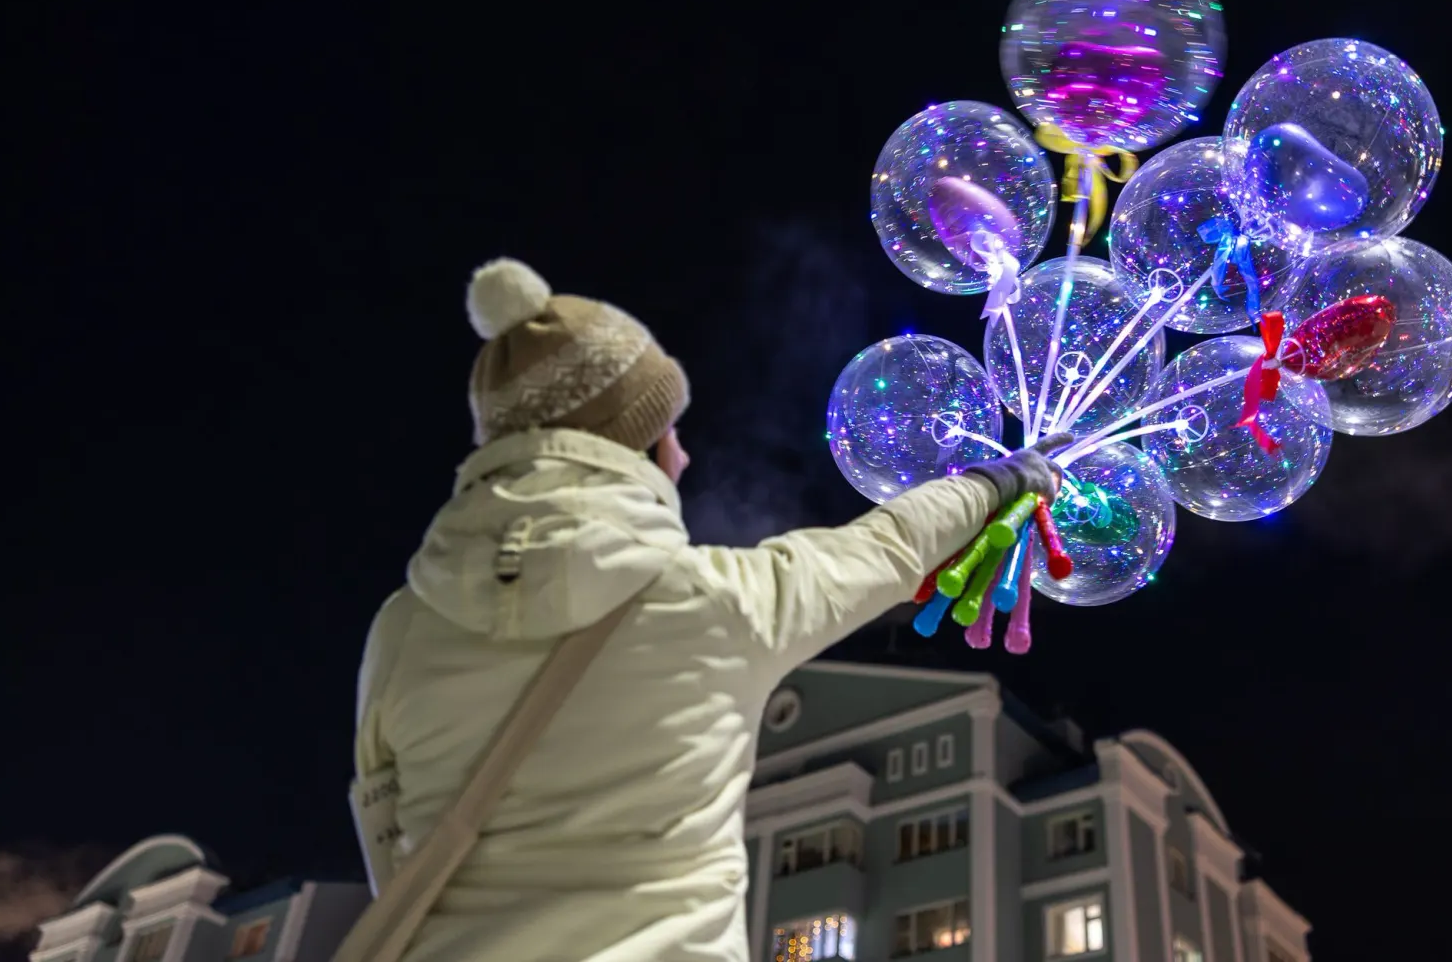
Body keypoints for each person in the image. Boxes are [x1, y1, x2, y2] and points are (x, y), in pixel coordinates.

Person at [353, 257, 1069, 962]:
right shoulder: (719, 605)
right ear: (635, 447)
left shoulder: (401, 631)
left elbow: (387, 842)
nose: (685, 457)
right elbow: (889, 547)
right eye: (669, 430)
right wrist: (1001, 480)